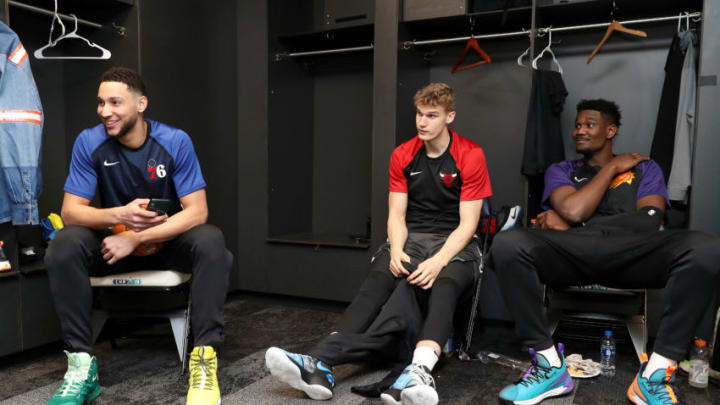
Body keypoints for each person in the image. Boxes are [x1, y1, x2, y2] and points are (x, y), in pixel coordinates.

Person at [264, 83, 492, 405]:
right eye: (419, 114)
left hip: (455, 244)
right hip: (411, 239)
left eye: (431, 115)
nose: (422, 122)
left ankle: (418, 371)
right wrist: (397, 250)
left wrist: (439, 261)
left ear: (449, 117)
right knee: (380, 277)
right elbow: (396, 216)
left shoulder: (470, 154)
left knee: (445, 283)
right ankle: (321, 365)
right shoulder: (403, 154)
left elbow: (469, 224)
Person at [490, 99, 720, 405]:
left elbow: (649, 220)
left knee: (707, 247)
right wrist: (611, 168)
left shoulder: (644, 168)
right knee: (507, 243)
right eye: (577, 125)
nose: (579, 131)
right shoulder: (562, 170)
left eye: (589, 124)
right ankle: (549, 367)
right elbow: (572, 207)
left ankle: (653, 377)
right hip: (572, 255)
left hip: (632, 255)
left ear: (610, 130)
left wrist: (576, 223)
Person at [44, 67, 232, 405]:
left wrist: (137, 238)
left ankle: (204, 361)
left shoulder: (174, 141)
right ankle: (81, 367)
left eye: (115, 102)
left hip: (165, 244)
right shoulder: (90, 141)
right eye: (101, 103)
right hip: (114, 246)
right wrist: (120, 217)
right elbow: (71, 211)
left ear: (140, 104)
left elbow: (197, 211)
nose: (105, 111)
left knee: (211, 240)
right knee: (63, 244)